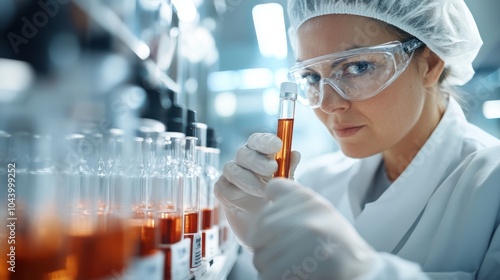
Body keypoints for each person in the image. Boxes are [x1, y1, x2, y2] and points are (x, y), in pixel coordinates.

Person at [215, 0, 500, 279]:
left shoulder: (492, 186)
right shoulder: (315, 183)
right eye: (312, 77)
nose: (327, 104)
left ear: (431, 63)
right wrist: (264, 241)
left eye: (358, 67)